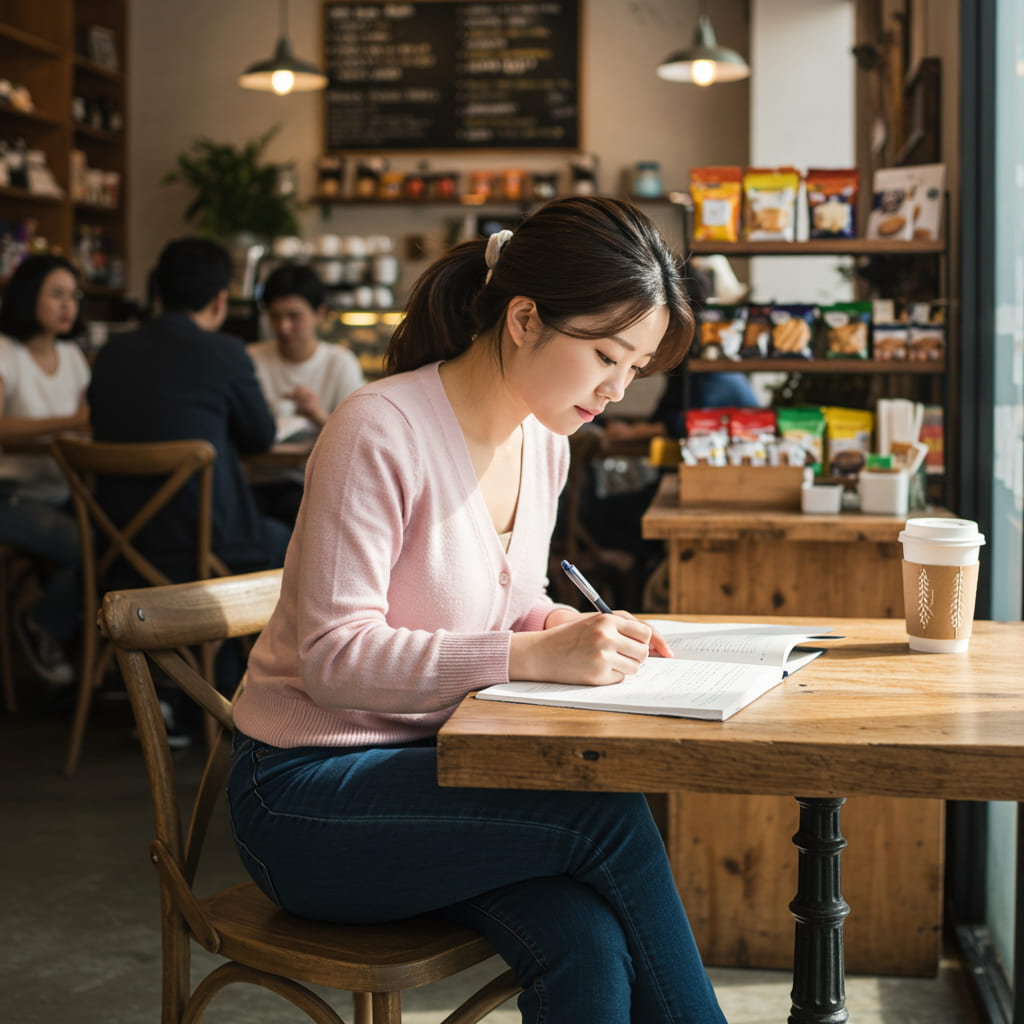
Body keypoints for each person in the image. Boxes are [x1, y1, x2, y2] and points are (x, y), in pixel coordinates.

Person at [228, 196, 726, 1023]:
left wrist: (558, 626)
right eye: (606, 354)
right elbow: (333, 658)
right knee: (601, 810)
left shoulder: (546, 441)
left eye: (636, 368)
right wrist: (528, 656)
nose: (617, 388)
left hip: (443, 775)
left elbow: (513, 598)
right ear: (524, 319)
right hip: (305, 795)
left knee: (586, 939)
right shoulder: (378, 429)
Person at [88, 237, 291, 583]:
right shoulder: (226, 353)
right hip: (207, 549)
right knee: (293, 540)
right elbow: (261, 437)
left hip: (117, 547)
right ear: (220, 300)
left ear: (158, 293)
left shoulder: (110, 354)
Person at [0, 254, 89, 689]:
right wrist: (69, 423)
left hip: (63, 491)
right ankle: (40, 622)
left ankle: (85, 658)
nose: (68, 305)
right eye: (56, 294)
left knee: (120, 539)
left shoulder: (72, 355)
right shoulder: (6, 351)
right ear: (28, 295)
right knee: (87, 545)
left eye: (73, 295)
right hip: (9, 493)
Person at [246, 263, 364, 524]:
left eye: (294, 316)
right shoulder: (251, 359)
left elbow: (359, 439)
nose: (283, 327)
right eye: (274, 317)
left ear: (319, 313)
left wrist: (320, 416)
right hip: (255, 481)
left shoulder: (340, 363)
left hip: (312, 484)